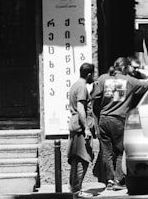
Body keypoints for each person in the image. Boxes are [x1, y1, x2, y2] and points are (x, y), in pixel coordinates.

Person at [91, 56, 148, 193]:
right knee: (121, 150)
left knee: (107, 152)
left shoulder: (103, 79)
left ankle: (109, 180)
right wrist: (145, 75)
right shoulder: (130, 81)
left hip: (104, 119)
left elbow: (94, 98)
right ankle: (118, 180)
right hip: (119, 120)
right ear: (126, 67)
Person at [67, 62, 95, 197]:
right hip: (80, 128)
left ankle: (74, 189)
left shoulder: (75, 85)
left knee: (76, 159)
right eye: (93, 74)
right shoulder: (82, 87)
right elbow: (80, 108)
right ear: (89, 74)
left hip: (75, 125)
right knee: (83, 159)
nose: (93, 77)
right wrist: (87, 129)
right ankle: (77, 191)